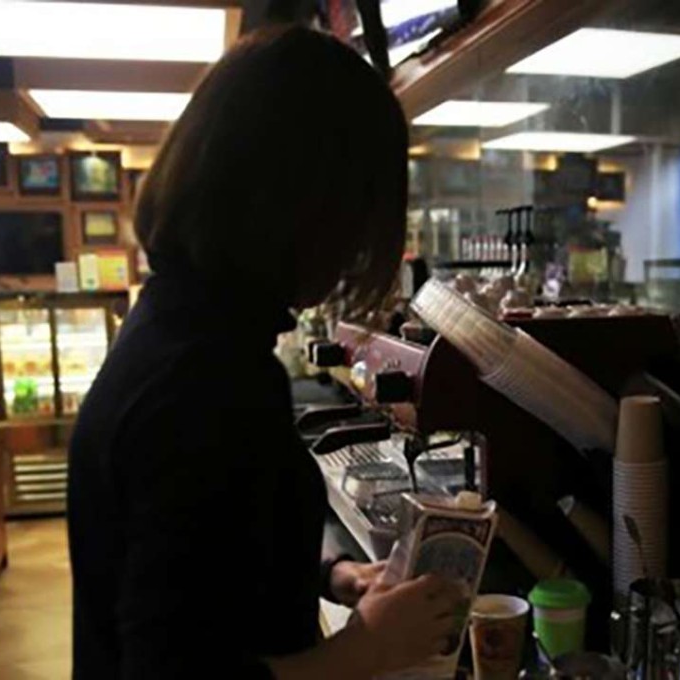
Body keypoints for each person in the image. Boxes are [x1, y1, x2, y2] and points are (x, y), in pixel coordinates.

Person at [67, 25, 464, 680]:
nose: (359, 248)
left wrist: (330, 576)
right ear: (307, 206)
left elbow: (195, 552)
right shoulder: (208, 379)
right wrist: (367, 648)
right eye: (361, 211)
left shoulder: (176, 324)